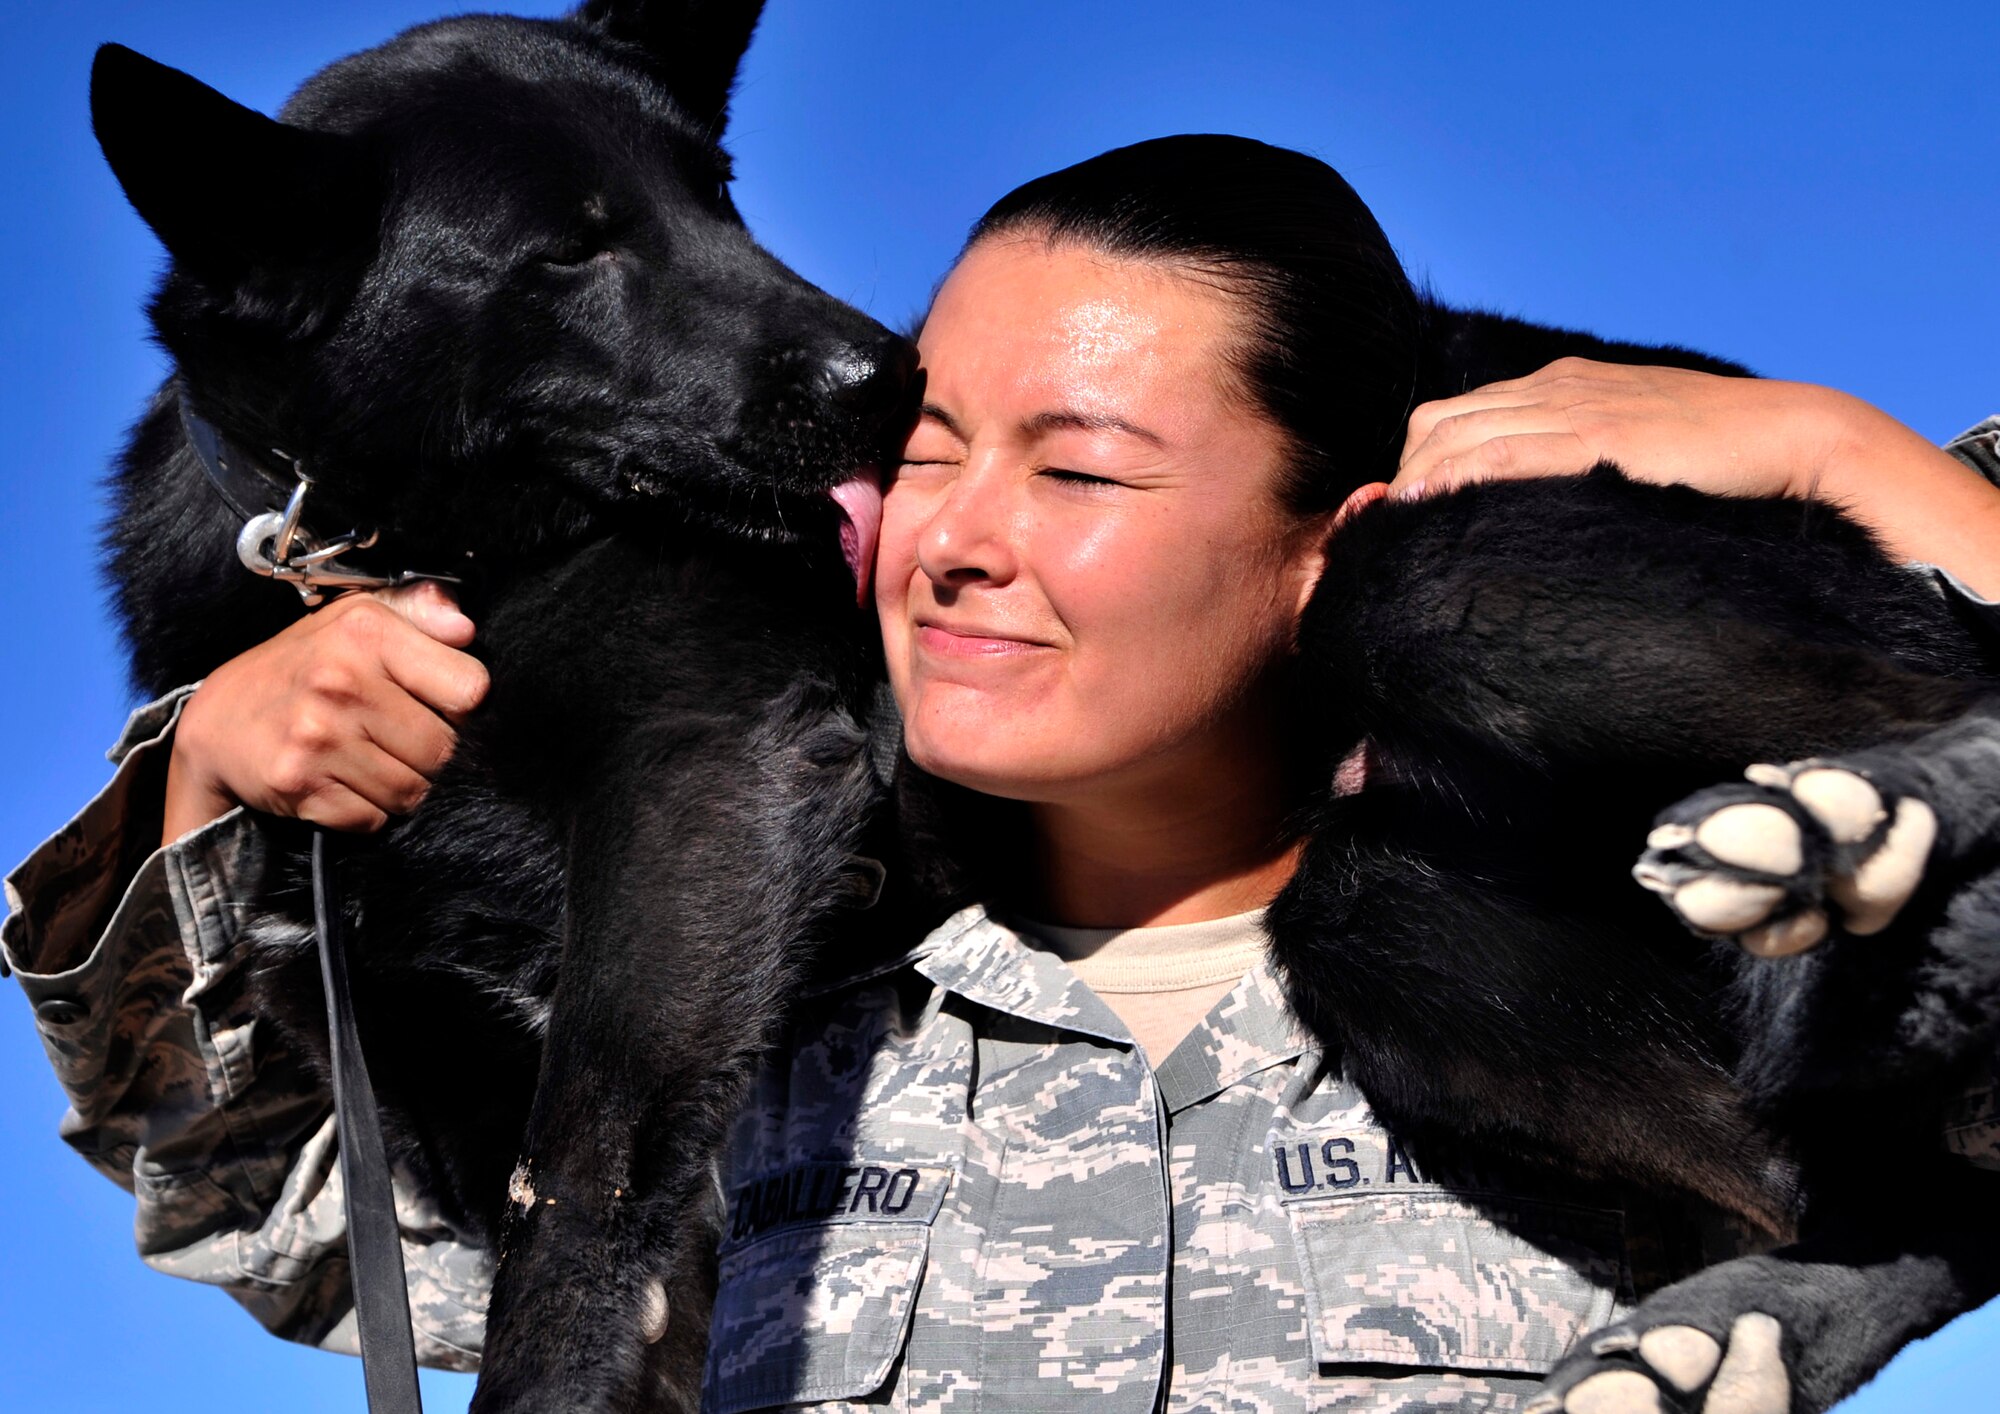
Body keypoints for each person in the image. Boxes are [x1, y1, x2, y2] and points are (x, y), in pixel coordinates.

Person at [7, 135, 2000, 1411]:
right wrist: (196, 792)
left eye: (1079, 465)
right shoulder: (735, 1020)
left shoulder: (1649, 954)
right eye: (929, 444)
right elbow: (275, 1212)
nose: (953, 530)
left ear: (1337, 528)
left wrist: (1896, 484)